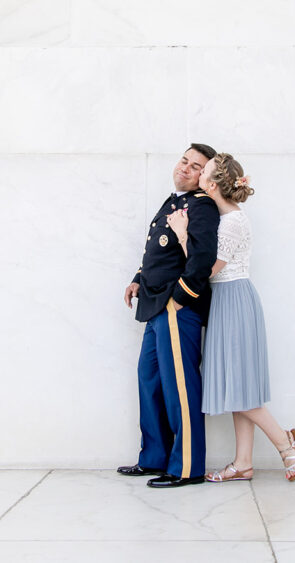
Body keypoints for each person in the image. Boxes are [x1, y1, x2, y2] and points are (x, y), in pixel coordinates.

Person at [167, 153, 295, 482]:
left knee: (241, 389)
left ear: (211, 185)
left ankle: (285, 443)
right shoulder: (225, 218)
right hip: (227, 302)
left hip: (234, 300)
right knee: (239, 388)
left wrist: (183, 235)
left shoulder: (233, 222)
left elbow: (208, 271)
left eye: (204, 170)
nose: (197, 173)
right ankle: (243, 463)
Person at [118, 144, 220, 488]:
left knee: (180, 388)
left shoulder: (202, 206)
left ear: (206, 177)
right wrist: (137, 278)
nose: (186, 168)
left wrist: (180, 298)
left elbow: (202, 259)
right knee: (150, 381)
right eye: (184, 161)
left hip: (176, 307)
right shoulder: (173, 201)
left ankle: (188, 466)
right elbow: (160, 254)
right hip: (153, 304)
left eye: (196, 167)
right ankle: (155, 458)